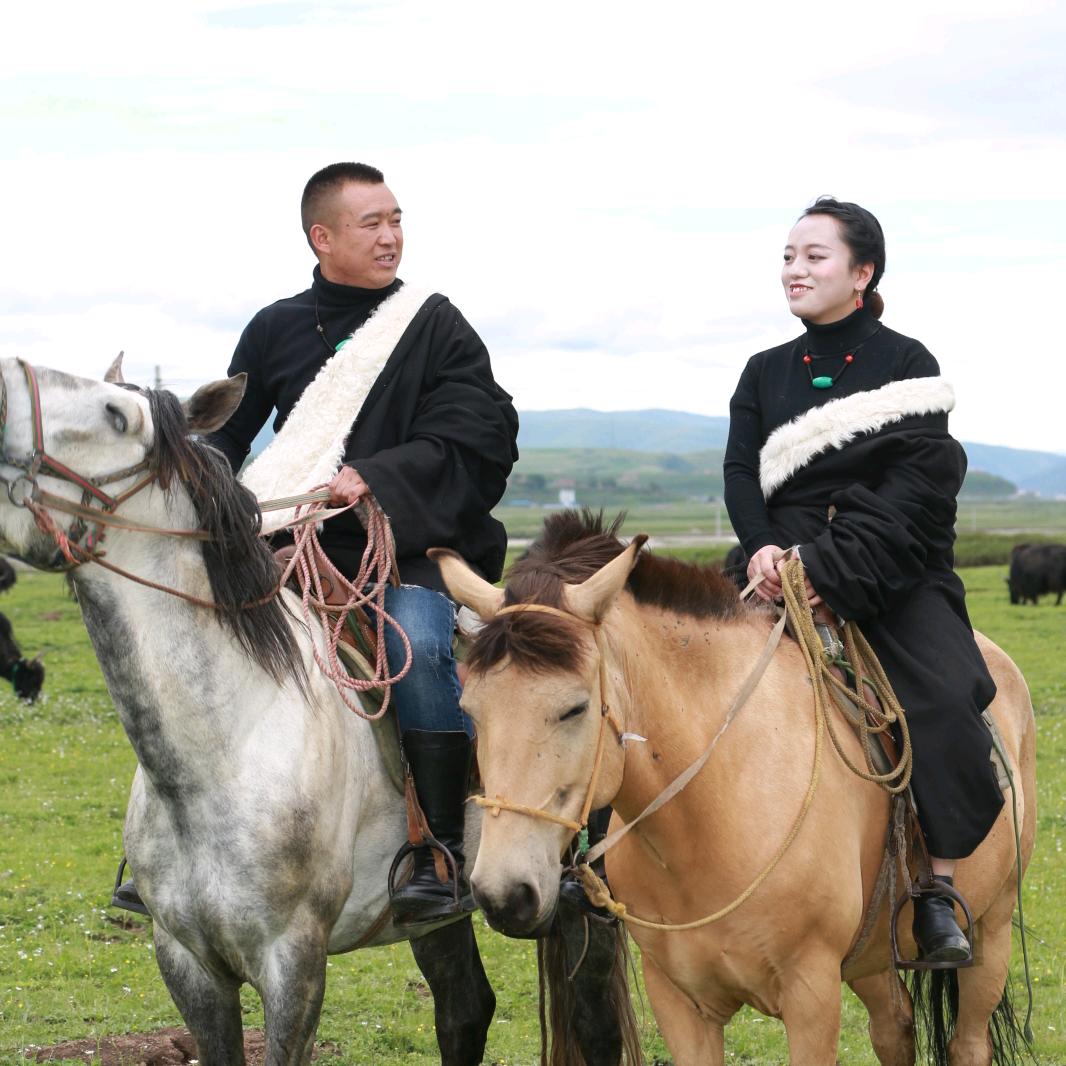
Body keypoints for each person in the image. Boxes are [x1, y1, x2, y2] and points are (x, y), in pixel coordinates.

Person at [114, 162, 518, 926]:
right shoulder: (275, 327)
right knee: (192, 649)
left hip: (401, 547)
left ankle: (436, 847)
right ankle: (154, 846)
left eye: (397, 219)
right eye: (373, 223)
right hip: (286, 550)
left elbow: (482, 433)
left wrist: (379, 477)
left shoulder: (436, 325)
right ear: (322, 237)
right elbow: (227, 439)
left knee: (424, 643)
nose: (392, 236)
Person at [722, 196, 1004, 964]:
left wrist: (830, 567)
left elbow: (914, 489)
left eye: (814, 256)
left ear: (862, 271)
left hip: (888, 567)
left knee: (944, 701)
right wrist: (761, 547)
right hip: (773, 566)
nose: (794, 270)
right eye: (787, 256)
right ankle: (615, 860)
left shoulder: (907, 364)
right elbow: (742, 472)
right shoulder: (763, 371)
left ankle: (940, 888)